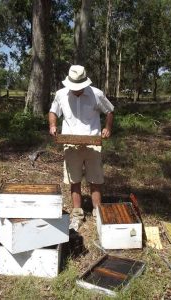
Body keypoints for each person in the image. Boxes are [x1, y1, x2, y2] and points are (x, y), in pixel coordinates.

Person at [49, 65, 114, 231]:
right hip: (70, 143)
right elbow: (53, 111)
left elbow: (110, 110)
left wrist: (107, 128)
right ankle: (77, 213)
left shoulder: (96, 94)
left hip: (93, 143)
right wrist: (52, 125)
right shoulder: (61, 94)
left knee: (96, 179)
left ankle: (97, 211)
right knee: (74, 179)